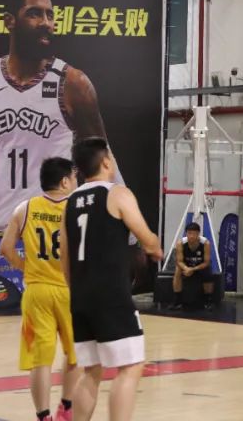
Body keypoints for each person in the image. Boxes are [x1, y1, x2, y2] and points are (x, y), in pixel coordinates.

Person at [0, 0, 120, 233]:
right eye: (34, 14)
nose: (46, 23)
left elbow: (104, 162)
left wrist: (128, 231)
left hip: (56, 227)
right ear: (10, 21)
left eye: (50, 15)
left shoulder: (73, 83)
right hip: (2, 227)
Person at [60, 137, 163, 421]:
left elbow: (64, 259)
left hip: (80, 297)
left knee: (91, 371)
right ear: (106, 162)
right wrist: (155, 246)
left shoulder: (70, 203)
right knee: (130, 366)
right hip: (111, 296)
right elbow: (148, 241)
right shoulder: (118, 194)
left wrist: (77, 290)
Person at [0, 157, 81, 421]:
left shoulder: (25, 208)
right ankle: (66, 407)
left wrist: (27, 268)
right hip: (70, 290)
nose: (76, 182)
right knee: (75, 353)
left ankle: (43, 416)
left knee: (41, 359)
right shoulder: (77, 209)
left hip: (37, 290)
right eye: (74, 178)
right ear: (65, 181)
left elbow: (5, 249)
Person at [172, 222, 214, 311]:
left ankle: (208, 300)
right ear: (186, 233)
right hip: (186, 265)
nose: (191, 236)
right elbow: (179, 261)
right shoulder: (180, 243)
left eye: (194, 234)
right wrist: (186, 268)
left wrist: (193, 269)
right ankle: (177, 301)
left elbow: (206, 262)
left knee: (208, 271)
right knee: (178, 270)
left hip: (200, 265)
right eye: (189, 233)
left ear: (198, 234)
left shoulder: (205, 243)